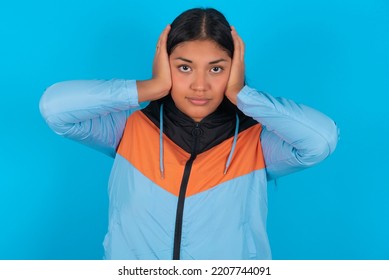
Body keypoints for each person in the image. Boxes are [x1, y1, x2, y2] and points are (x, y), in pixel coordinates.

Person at [39, 8, 339, 260]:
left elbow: (321, 140)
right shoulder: (130, 128)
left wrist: (243, 96)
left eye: (216, 69)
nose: (200, 85)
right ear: (165, 65)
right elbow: (55, 109)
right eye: (184, 68)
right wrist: (150, 87)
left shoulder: (257, 141)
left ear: (234, 69)